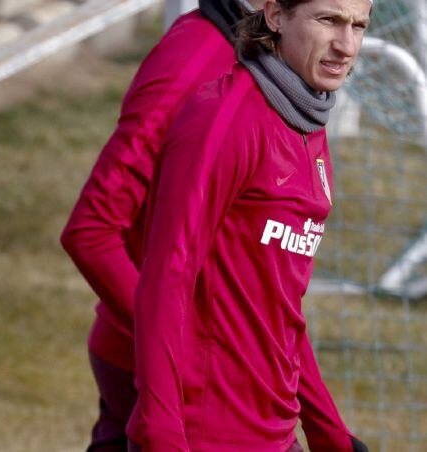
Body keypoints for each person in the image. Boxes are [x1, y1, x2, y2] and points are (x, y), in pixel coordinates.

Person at [61, 0, 364, 450]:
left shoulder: (304, 106)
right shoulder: (202, 64)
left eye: (360, 26)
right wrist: (184, 375)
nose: (346, 43)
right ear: (275, 13)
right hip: (181, 388)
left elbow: (273, 304)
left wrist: (327, 427)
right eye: (329, 20)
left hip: (250, 400)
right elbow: (93, 231)